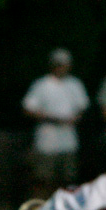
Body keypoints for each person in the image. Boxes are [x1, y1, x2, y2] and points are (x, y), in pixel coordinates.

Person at [22, 48, 90, 197]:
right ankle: (40, 207)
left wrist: (75, 118)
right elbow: (28, 108)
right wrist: (50, 118)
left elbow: (83, 108)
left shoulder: (75, 84)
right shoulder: (41, 84)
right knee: (43, 178)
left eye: (64, 65)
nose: (61, 68)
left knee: (68, 178)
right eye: (58, 64)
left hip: (68, 140)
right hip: (46, 140)